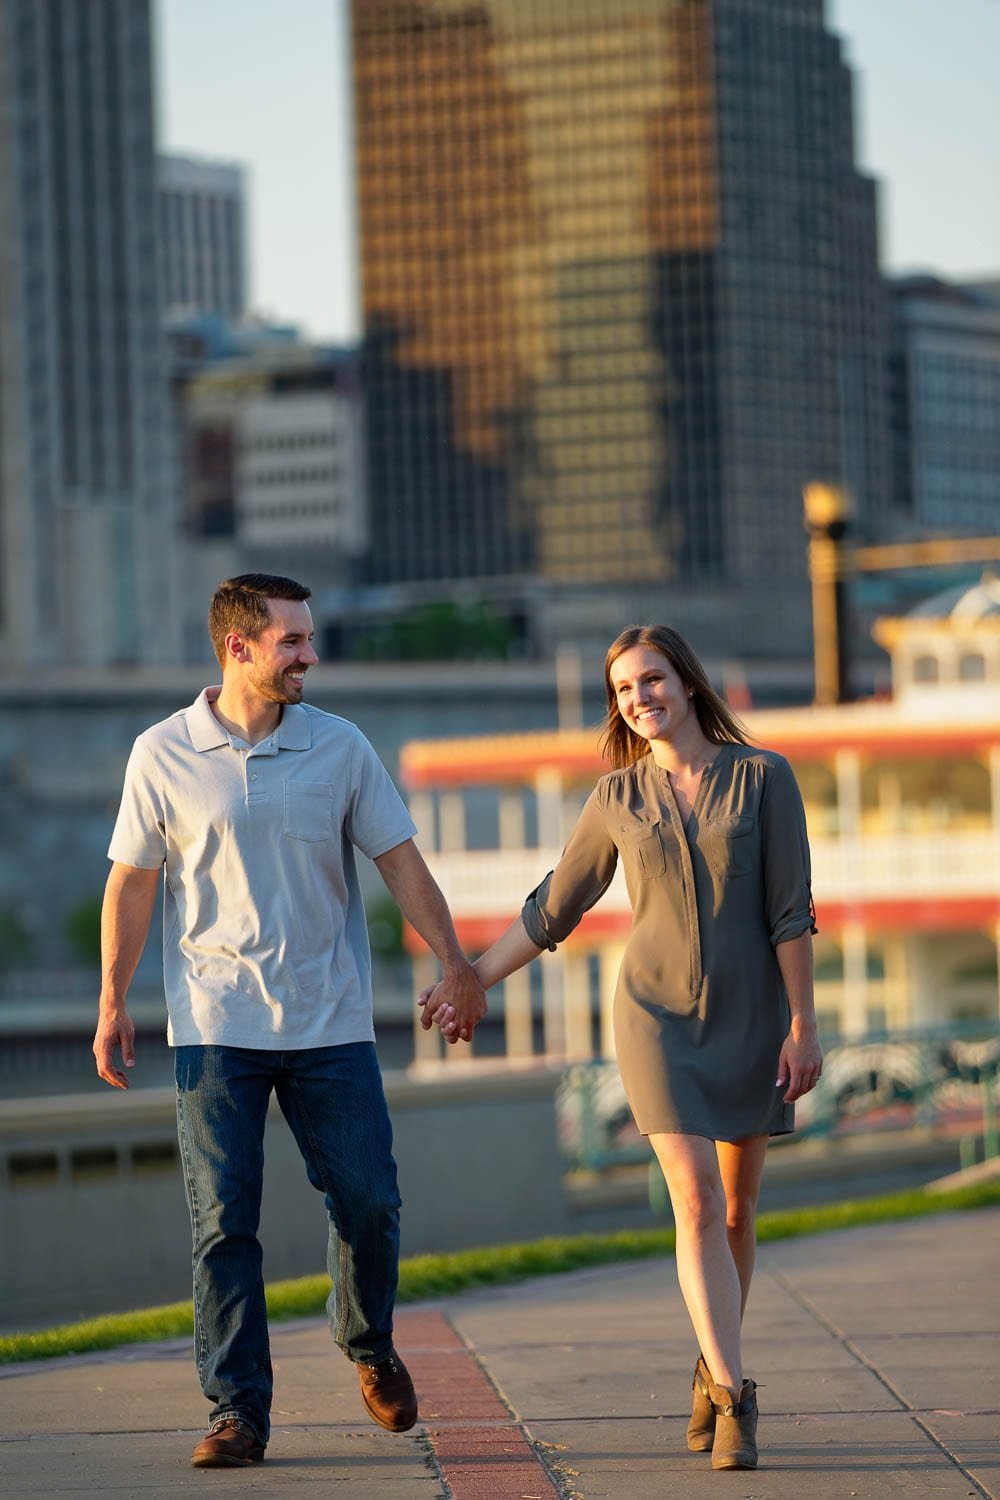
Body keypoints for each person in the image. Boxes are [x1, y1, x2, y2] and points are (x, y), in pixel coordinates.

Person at [93, 574, 486, 1469]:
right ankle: (238, 1412)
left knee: (370, 1203)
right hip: (213, 1026)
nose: (311, 655)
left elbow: (400, 861)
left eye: (309, 639)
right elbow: (133, 881)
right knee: (224, 1225)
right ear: (238, 647)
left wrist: (455, 963)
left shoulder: (341, 748)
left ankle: (367, 1342)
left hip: (330, 1023)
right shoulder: (162, 753)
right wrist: (114, 998)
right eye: (293, 641)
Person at [420, 624, 822, 1472]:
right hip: (653, 1021)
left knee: (742, 1212)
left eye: (651, 680)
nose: (639, 700)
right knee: (698, 1201)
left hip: (753, 1022)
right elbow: (553, 908)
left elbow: (791, 912)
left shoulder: (764, 778)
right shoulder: (615, 798)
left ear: (687, 680)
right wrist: (472, 978)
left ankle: (712, 1363)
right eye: (624, 690)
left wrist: (803, 1024)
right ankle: (735, 1393)